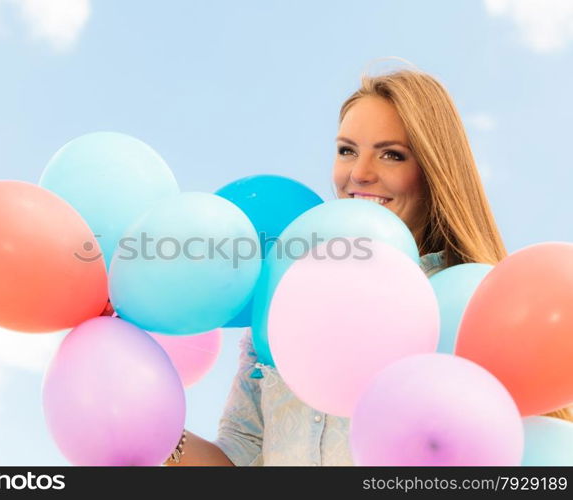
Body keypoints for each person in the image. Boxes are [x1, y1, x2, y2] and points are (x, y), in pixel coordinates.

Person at [163, 68, 572, 466]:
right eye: (347, 151)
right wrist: (148, 423)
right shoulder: (283, 302)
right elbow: (240, 457)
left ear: (433, 170)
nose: (359, 173)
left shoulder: (471, 310)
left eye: (391, 154)